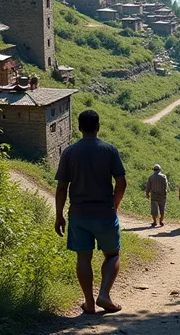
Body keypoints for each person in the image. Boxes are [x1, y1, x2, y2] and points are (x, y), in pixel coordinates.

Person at [55, 109, 127, 315]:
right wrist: (116, 203)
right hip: (105, 212)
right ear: (98, 127)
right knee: (112, 255)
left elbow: (62, 187)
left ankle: (89, 303)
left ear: (79, 127)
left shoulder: (69, 152)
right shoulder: (109, 150)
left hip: (78, 214)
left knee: (83, 258)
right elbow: (121, 181)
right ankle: (104, 294)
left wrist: (59, 215)